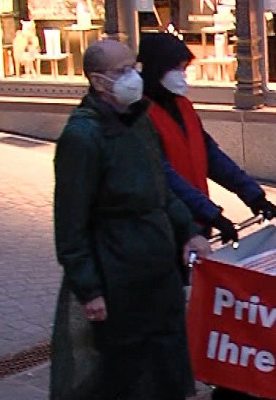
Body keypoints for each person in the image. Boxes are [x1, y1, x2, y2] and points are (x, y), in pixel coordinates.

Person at [49, 40, 211, 400]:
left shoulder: (138, 120)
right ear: (97, 81)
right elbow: (70, 222)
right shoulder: (83, 136)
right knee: (126, 372)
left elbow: (161, 189)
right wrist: (89, 288)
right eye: (120, 71)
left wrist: (188, 231)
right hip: (118, 273)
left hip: (158, 267)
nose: (132, 77)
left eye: (133, 67)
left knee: (168, 361)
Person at [136, 34, 276, 251]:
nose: (182, 75)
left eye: (184, 68)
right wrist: (211, 214)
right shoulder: (140, 116)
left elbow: (211, 156)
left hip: (197, 220)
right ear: (157, 69)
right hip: (167, 225)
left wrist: (254, 196)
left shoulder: (182, 106)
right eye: (177, 68)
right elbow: (165, 176)